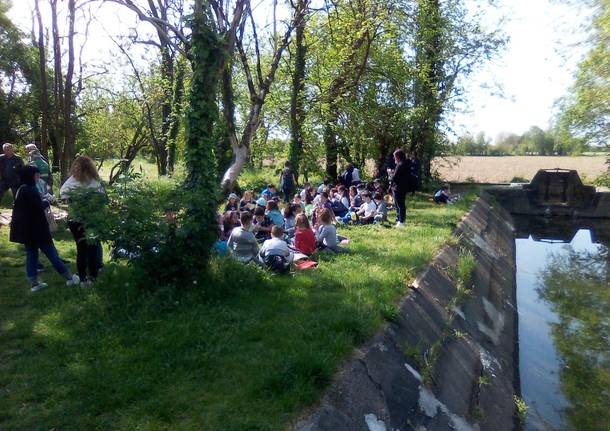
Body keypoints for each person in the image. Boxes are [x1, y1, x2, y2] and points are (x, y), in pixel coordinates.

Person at [9, 165, 80, 292]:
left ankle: (34, 284)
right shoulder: (30, 190)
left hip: (27, 231)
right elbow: (38, 207)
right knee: (52, 255)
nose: (38, 177)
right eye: (36, 175)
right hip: (38, 230)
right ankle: (70, 277)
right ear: (30, 176)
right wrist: (47, 201)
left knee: (32, 255)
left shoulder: (22, 189)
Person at [59, 155, 105, 285]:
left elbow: (63, 195)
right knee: (92, 248)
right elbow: (102, 200)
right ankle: (93, 278)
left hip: (75, 219)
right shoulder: (95, 182)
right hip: (92, 219)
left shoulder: (71, 181)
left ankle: (83, 280)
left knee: (81, 249)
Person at [389, 149, 411, 228]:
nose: (394, 159)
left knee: (400, 205)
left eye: (395, 157)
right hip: (404, 187)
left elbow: (395, 177)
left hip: (398, 187)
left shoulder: (400, 165)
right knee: (400, 204)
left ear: (398, 157)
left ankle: (401, 221)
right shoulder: (406, 164)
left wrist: (391, 174)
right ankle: (400, 219)